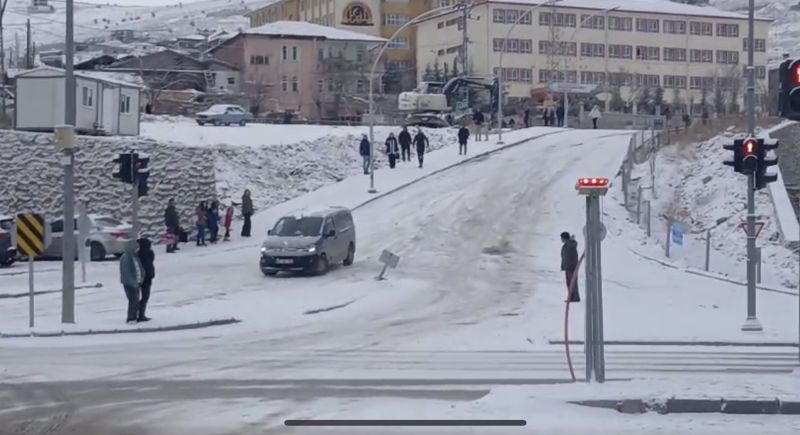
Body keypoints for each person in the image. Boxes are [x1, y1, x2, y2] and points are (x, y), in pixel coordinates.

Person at [119, 240, 143, 324]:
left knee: (135, 300)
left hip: (137, 282)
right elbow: (126, 272)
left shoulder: (135, 256)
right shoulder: (126, 257)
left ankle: (134, 316)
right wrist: (133, 282)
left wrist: (142, 277)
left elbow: (139, 268)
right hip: (129, 283)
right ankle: (131, 318)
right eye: (136, 248)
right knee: (133, 300)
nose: (137, 249)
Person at [136, 237, 155, 322]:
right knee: (144, 297)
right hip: (144, 278)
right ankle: (140, 314)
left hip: (147, 277)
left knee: (144, 297)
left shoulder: (147, 253)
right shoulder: (142, 255)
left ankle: (140, 313)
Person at [560, 231, 580, 303]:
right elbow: (564, 257)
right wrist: (563, 265)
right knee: (569, 283)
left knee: (573, 282)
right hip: (568, 267)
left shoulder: (570, 245)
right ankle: (571, 297)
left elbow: (572, 254)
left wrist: (571, 240)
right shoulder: (566, 245)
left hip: (571, 267)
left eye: (562, 238)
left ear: (564, 238)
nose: (561, 239)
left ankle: (575, 297)